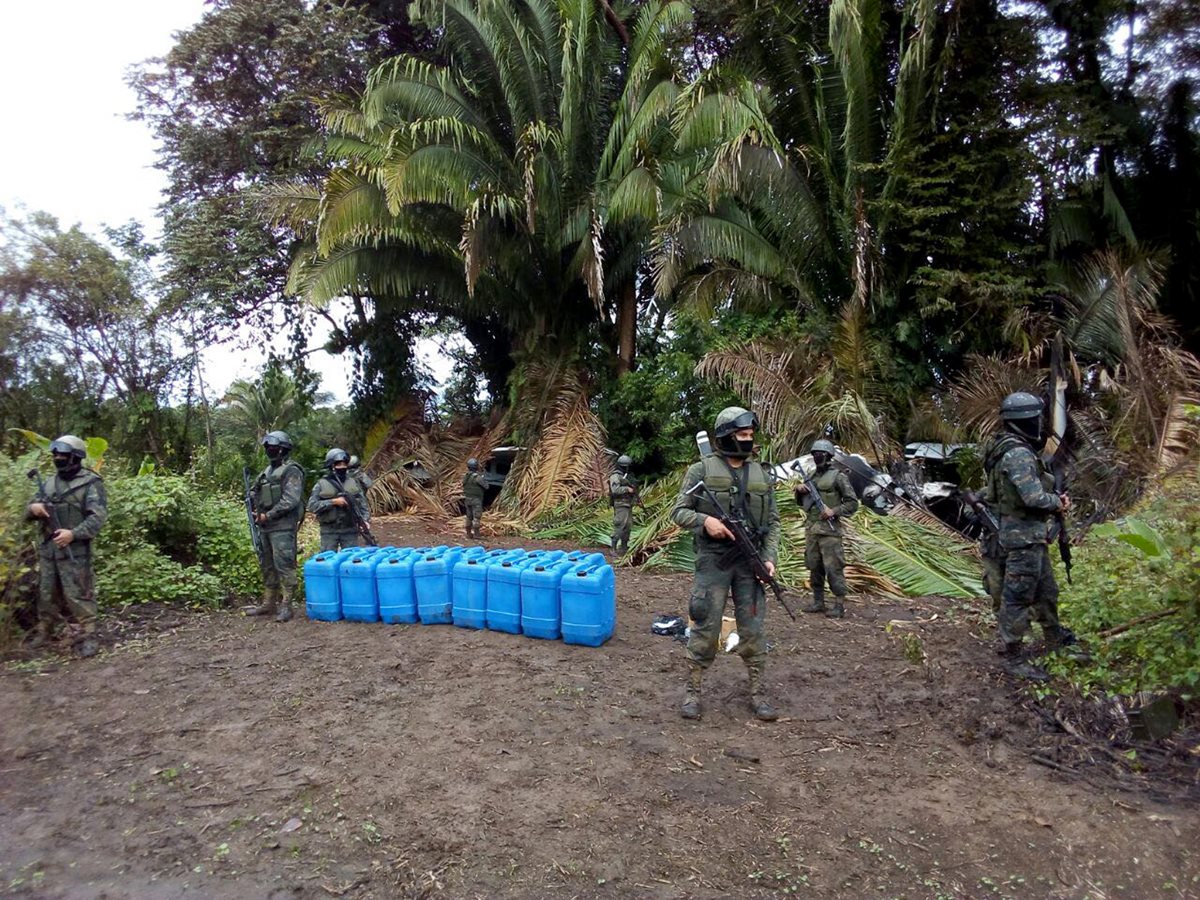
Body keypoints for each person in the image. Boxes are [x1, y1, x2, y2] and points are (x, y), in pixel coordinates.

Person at [671, 407, 781, 722]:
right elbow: (678, 511)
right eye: (742, 435)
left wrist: (770, 557)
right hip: (714, 562)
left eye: (751, 436)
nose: (748, 441)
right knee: (705, 625)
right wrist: (705, 521)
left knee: (754, 629)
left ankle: (759, 695)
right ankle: (692, 693)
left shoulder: (761, 473)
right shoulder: (700, 470)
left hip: (750, 562)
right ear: (727, 436)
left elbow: (773, 522)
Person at [985, 392, 1073, 679]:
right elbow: (1032, 497)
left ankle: (1054, 638)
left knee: (1047, 591)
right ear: (1027, 421)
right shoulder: (1019, 454)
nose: (1040, 424)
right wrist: (1057, 502)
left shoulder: (1004, 448)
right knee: (1018, 597)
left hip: (1030, 536)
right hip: (1023, 537)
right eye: (1037, 419)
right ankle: (1013, 655)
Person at [25, 435, 107, 657]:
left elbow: (97, 518)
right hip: (48, 549)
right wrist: (34, 508)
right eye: (56, 455)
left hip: (75, 551)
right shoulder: (49, 483)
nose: (58, 459)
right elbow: (28, 510)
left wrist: (73, 533)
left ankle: (89, 634)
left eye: (63, 455)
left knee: (79, 592)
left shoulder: (90, 483)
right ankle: (44, 630)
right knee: (46, 592)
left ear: (75, 457)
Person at [794, 439, 858, 618]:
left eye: (820, 454)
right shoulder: (811, 476)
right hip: (812, 529)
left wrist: (834, 511)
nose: (817, 457)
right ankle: (818, 601)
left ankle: (838, 604)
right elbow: (802, 503)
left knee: (833, 568)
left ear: (828, 456)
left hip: (830, 532)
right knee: (814, 566)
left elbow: (852, 503)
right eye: (814, 454)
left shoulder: (838, 477)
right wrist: (799, 490)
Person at [246, 431, 305, 622]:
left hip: (282, 526)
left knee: (284, 564)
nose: (270, 451)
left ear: (283, 449)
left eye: (274, 447)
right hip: (264, 526)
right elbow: (255, 492)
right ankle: (269, 603)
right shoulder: (266, 471)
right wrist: (254, 509)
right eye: (268, 448)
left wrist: (268, 515)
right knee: (267, 564)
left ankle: (287, 605)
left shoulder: (291, 470)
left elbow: (291, 500)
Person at [307, 448, 370, 551]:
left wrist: (365, 520)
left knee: (351, 559)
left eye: (344, 464)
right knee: (327, 560)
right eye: (338, 464)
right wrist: (332, 502)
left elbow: (363, 504)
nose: (342, 467)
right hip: (329, 530)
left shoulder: (353, 483)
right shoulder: (321, 484)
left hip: (350, 529)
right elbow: (312, 505)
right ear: (331, 466)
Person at [608, 454, 637, 555]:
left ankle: (624, 547)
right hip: (620, 504)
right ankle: (613, 548)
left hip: (627, 504)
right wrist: (627, 489)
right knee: (620, 525)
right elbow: (615, 490)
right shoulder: (615, 476)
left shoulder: (624, 476)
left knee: (627, 527)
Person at [462, 458, 487, 539]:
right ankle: (476, 534)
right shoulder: (477, 477)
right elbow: (486, 486)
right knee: (477, 516)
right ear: (476, 467)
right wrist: (483, 477)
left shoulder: (465, 477)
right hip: (476, 500)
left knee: (469, 516)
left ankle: (468, 534)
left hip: (467, 499)